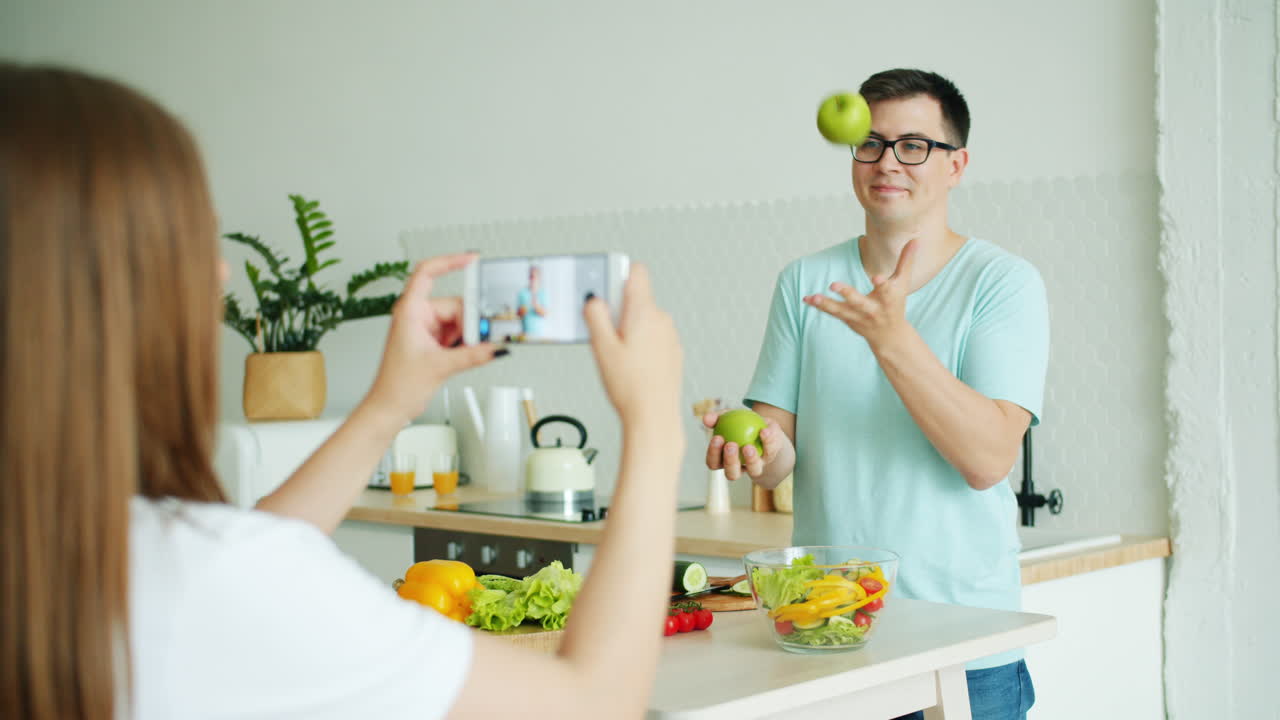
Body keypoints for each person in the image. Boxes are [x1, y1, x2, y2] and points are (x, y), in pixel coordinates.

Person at [0, 63, 685, 720]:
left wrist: (391, 403)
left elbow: (253, 549)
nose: (219, 274)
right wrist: (656, 425)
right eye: (185, 244)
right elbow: (591, 706)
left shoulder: (89, 555)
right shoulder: (203, 585)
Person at [705, 68, 1048, 720]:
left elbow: (988, 460)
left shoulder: (1003, 282)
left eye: (914, 145)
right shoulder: (806, 278)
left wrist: (892, 337)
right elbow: (778, 452)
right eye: (871, 143)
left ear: (956, 165)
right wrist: (748, 443)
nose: (888, 161)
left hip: (963, 641)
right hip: (829, 629)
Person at [515, 264, 549, 338]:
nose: (532, 279)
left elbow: (544, 314)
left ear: (539, 277)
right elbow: (518, 314)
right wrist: (521, 311)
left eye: (534, 276)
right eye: (531, 276)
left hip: (540, 335)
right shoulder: (522, 293)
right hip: (525, 334)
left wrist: (535, 305)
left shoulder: (543, 293)